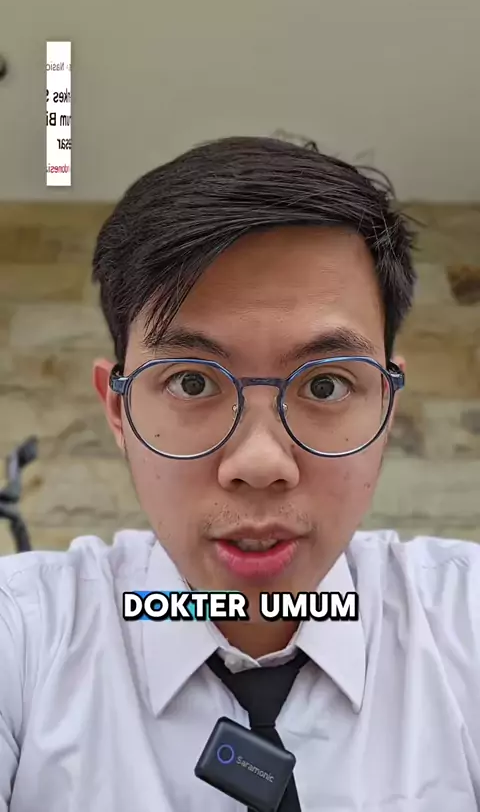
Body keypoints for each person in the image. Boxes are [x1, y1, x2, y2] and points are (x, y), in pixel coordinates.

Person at [1, 136, 479, 812]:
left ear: (386, 406)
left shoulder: (464, 625)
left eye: (325, 385)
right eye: (193, 381)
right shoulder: (22, 636)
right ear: (119, 410)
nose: (260, 463)